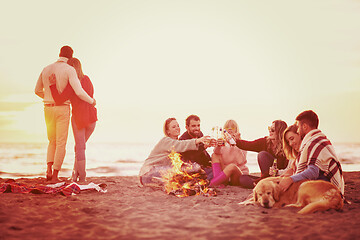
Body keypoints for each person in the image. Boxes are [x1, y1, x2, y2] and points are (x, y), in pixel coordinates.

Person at [35, 46, 96, 182]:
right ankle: (65, 175)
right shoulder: (75, 73)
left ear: (59, 53)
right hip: (76, 112)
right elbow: (80, 92)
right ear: (71, 56)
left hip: (49, 108)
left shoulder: (46, 68)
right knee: (68, 144)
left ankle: (50, 170)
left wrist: (48, 94)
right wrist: (92, 101)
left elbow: (37, 90)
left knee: (53, 141)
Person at [49, 57, 97, 183]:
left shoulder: (71, 85)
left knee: (80, 148)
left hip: (79, 118)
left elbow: (59, 100)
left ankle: (82, 177)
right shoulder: (87, 79)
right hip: (92, 118)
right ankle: (75, 174)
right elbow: (90, 96)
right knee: (79, 147)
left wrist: (53, 85)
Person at [279, 110, 345, 195]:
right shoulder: (317, 139)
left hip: (325, 188)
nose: (298, 131)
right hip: (323, 184)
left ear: (305, 126)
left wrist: (291, 179)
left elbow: (313, 172)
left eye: (298, 127)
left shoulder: (314, 142)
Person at [139, 118, 209, 186]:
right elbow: (182, 144)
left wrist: (205, 147)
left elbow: (186, 153)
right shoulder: (165, 141)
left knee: (193, 169)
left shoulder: (177, 142)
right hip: (148, 173)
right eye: (173, 127)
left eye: (178, 126)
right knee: (181, 172)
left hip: (161, 172)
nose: (177, 128)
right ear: (168, 131)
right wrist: (198, 140)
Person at [209, 120, 254, 188]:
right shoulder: (223, 142)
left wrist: (236, 144)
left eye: (232, 127)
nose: (229, 128)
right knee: (214, 155)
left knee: (232, 166)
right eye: (227, 127)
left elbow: (241, 160)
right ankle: (219, 182)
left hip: (238, 174)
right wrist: (218, 146)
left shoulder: (241, 142)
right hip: (226, 173)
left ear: (236, 130)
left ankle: (212, 183)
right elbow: (216, 154)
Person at [179, 115, 213, 180]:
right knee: (216, 173)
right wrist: (204, 146)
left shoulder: (200, 134)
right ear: (187, 127)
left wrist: (210, 161)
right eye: (193, 126)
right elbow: (190, 156)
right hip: (192, 170)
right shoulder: (183, 140)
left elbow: (203, 153)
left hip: (203, 167)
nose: (197, 128)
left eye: (198, 125)